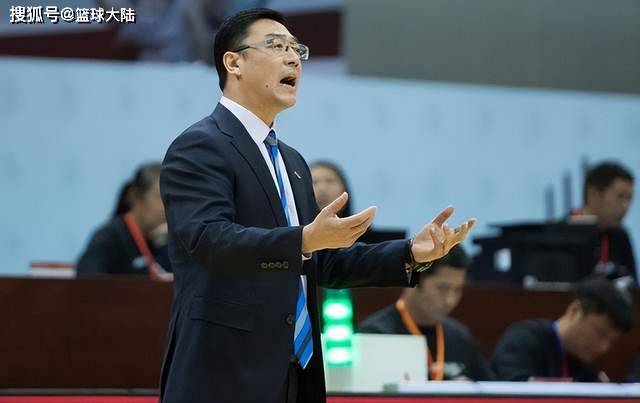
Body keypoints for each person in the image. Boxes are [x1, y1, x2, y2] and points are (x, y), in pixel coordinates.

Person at [158, 8, 475, 403]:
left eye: (297, 50)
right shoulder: (200, 146)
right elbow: (209, 240)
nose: (294, 58)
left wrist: (410, 252)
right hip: (224, 372)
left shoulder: (291, 162)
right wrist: (304, 240)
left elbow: (320, 263)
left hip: (296, 372)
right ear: (233, 63)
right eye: (277, 46)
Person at [358, 245, 494, 381]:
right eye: (442, 288)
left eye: (457, 290)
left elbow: (491, 388)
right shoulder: (376, 335)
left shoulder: (459, 338)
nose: (450, 300)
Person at [491, 276, 634, 382]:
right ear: (574, 311)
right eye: (600, 333)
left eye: (611, 341)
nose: (603, 348)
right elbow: (516, 391)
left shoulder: (586, 367)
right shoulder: (523, 340)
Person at [76, 162, 172, 280]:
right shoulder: (108, 238)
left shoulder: (163, 241)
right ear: (135, 196)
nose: (167, 207)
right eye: (160, 197)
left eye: (172, 199)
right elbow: (87, 283)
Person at [569, 161, 636, 282]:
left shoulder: (620, 237)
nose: (626, 206)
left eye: (629, 199)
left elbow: (632, 286)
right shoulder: (560, 234)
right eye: (620, 196)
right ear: (593, 194)